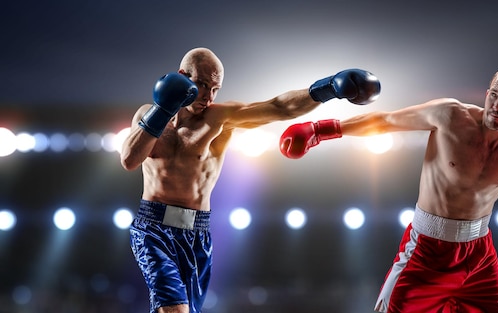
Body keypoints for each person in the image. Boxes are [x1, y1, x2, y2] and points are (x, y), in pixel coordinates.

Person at [119, 47, 381, 313]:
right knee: (174, 310)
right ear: (182, 76)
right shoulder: (146, 114)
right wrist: (162, 110)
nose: (209, 97)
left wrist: (330, 88)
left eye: (215, 89)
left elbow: (279, 107)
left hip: (196, 233)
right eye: (202, 85)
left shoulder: (219, 118)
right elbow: (129, 160)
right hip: (152, 229)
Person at [279, 66, 498, 313]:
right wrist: (320, 129)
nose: (497, 106)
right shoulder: (450, 115)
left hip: (479, 258)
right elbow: (386, 121)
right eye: (494, 95)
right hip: (427, 251)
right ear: (487, 94)